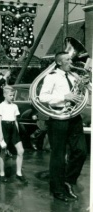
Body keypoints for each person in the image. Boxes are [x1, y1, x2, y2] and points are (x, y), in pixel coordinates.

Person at [39, 51, 87, 202]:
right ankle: (57, 190)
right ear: (59, 62)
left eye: (70, 59)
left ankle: (68, 180)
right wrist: (64, 97)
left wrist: (85, 84)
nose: (71, 62)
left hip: (74, 117)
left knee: (81, 151)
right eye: (67, 59)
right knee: (58, 156)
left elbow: (84, 93)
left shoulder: (74, 76)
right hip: (58, 118)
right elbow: (42, 97)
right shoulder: (51, 76)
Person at [0, 85, 27, 184]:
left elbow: (16, 121)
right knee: (3, 152)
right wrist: (1, 135)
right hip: (4, 128)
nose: (12, 97)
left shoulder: (15, 106)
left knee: (21, 151)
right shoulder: (1, 106)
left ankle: (18, 173)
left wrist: (17, 132)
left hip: (13, 128)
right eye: (10, 95)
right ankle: (2, 174)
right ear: (4, 95)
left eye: (13, 95)